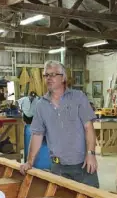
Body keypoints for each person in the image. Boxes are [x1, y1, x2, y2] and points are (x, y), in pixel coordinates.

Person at [20, 60, 99, 188]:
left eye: (53, 75)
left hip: (83, 165)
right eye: (46, 75)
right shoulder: (41, 105)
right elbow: (37, 136)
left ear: (63, 78)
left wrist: (91, 154)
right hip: (58, 168)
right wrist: (29, 162)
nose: (48, 78)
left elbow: (88, 128)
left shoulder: (78, 98)